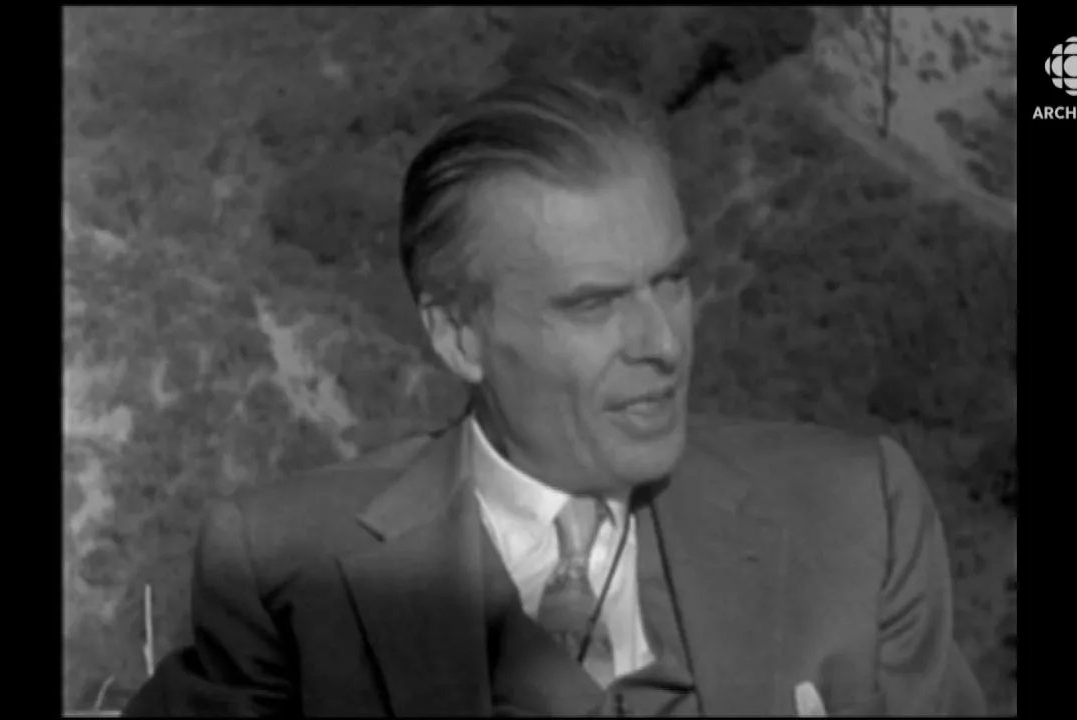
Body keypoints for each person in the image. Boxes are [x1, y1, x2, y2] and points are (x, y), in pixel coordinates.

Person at [124, 76, 986, 717]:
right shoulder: (289, 569)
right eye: (593, 304)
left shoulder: (856, 514)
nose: (662, 343)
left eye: (672, 281)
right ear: (459, 336)